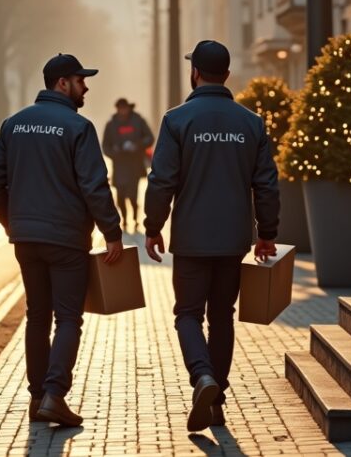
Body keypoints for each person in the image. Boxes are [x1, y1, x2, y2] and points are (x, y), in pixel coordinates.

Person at [143, 40, 280, 432]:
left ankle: (202, 376)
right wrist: (266, 233)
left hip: (191, 239)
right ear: (227, 74)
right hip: (233, 239)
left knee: (188, 314)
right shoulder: (250, 122)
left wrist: (154, 227)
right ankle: (216, 399)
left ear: (195, 73)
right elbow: (266, 184)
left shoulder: (177, 120)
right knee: (223, 317)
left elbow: (162, 180)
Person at [0, 53, 124, 427]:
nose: (86, 86)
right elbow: (94, 185)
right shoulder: (78, 127)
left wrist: (10, 222)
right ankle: (55, 395)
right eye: (80, 80)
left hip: (25, 239)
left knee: (37, 317)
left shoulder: (14, 125)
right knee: (68, 319)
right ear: (62, 83)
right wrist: (112, 232)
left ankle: (36, 397)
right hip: (65, 240)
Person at [102, 98, 155, 232]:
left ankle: (136, 220)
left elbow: (150, 138)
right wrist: (115, 152)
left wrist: (137, 146)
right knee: (120, 198)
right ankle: (124, 220)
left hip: (134, 166)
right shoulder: (111, 124)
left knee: (132, 196)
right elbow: (105, 146)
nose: (123, 111)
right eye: (120, 108)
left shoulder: (138, 121)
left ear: (129, 108)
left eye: (125, 108)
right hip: (119, 167)